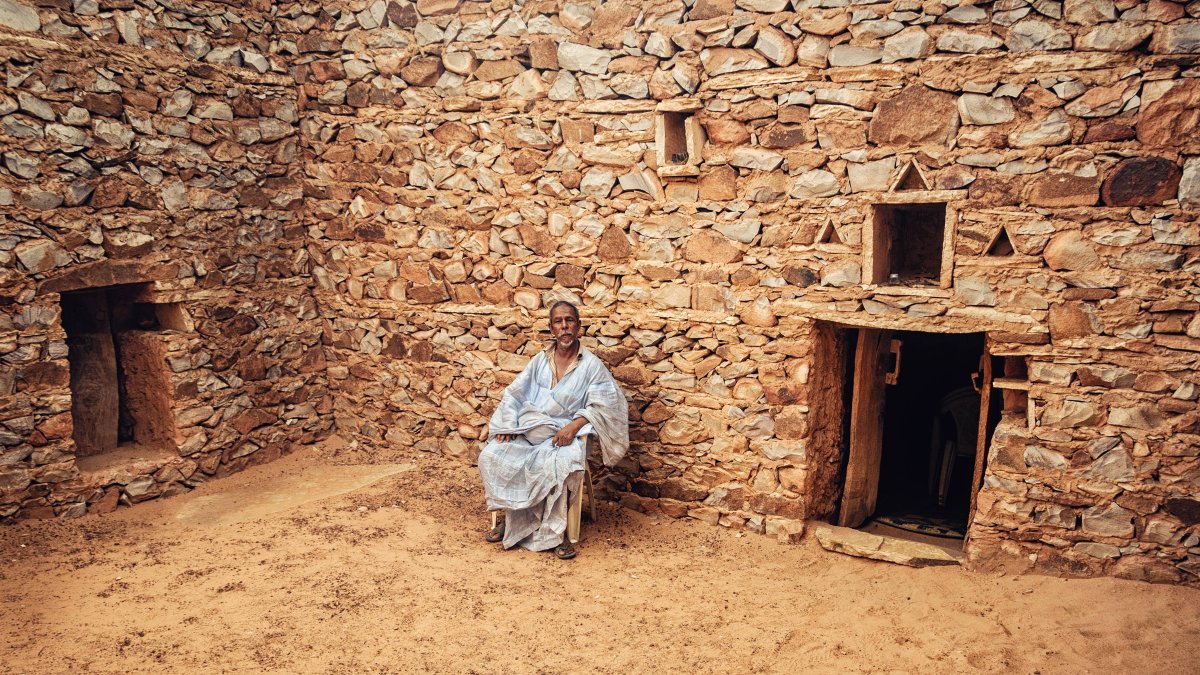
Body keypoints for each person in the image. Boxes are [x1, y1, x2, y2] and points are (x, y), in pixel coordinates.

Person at [477, 300, 629, 560]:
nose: (564, 326)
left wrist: (573, 426)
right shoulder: (540, 360)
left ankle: (558, 533)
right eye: (558, 321)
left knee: (561, 464)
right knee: (492, 455)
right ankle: (513, 519)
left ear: (578, 326)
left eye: (569, 320)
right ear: (551, 327)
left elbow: (606, 405)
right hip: (532, 429)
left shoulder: (591, 365)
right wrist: (508, 425)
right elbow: (515, 393)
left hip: (568, 436)